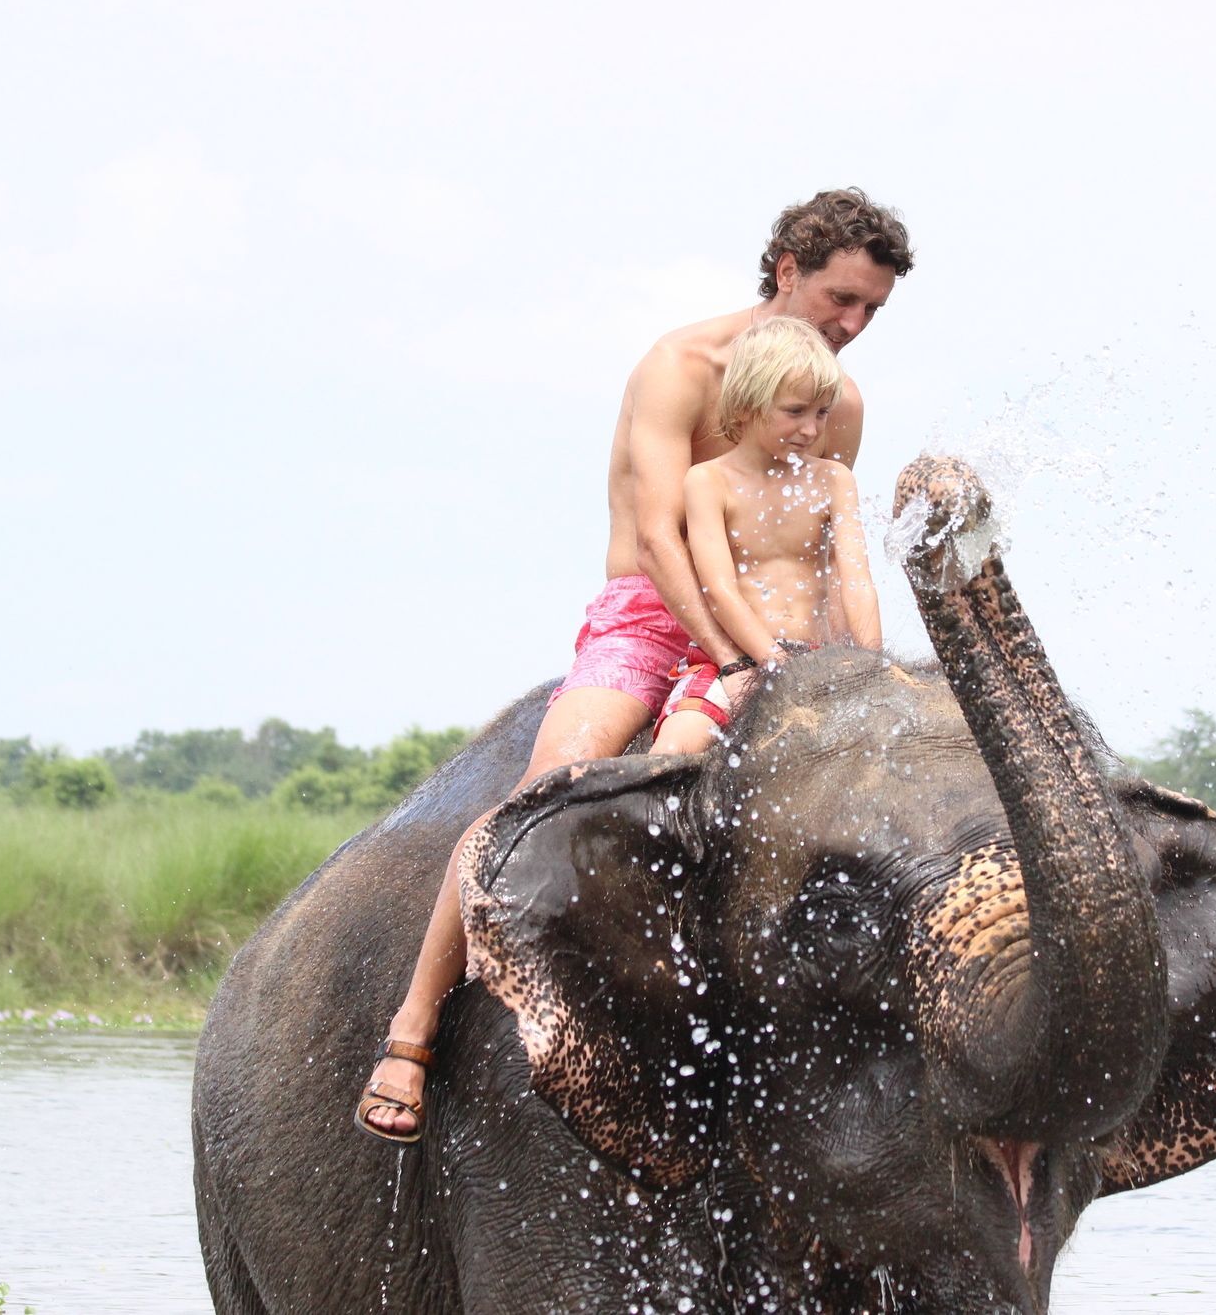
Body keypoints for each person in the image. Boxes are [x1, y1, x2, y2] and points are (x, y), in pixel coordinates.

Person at [355, 189, 913, 1142]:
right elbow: (660, 539)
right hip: (656, 618)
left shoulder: (836, 405)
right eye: (841, 298)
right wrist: (731, 656)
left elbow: (822, 554)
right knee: (542, 786)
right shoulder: (679, 366)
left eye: (871, 311)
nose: (853, 325)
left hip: (772, 632)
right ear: (787, 270)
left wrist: (829, 673)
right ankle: (412, 1029)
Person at [650, 317, 881, 755]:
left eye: (822, 413)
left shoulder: (833, 480)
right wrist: (772, 662)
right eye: (795, 412)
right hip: (738, 660)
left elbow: (856, 580)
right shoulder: (709, 481)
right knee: (674, 749)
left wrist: (873, 663)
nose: (811, 430)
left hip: (816, 657)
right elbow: (718, 588)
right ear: (745, 405)